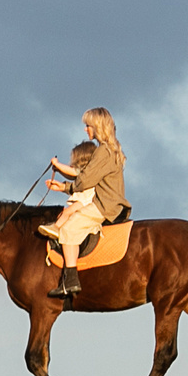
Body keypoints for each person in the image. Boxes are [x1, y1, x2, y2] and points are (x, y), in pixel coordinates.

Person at [42, 107, 127, 300]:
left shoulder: (103, 151)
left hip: (104, 205)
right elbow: (84, 177)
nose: (85, 129)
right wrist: (63, 186)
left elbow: (85, 180)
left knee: (69, 229)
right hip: (106, 202)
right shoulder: (111, 148)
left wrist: (64, 187)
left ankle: (70, 281)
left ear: (97, 126)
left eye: (87, 125)